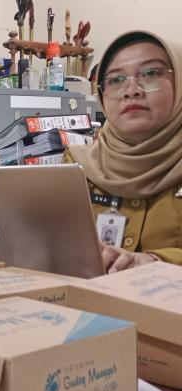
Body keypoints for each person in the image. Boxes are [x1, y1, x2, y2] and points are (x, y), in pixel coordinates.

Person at [66, 30, 182, 272]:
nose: (132, 90)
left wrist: (157, 262)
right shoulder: (77, 166)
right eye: (116, 80)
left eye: (150, 73)